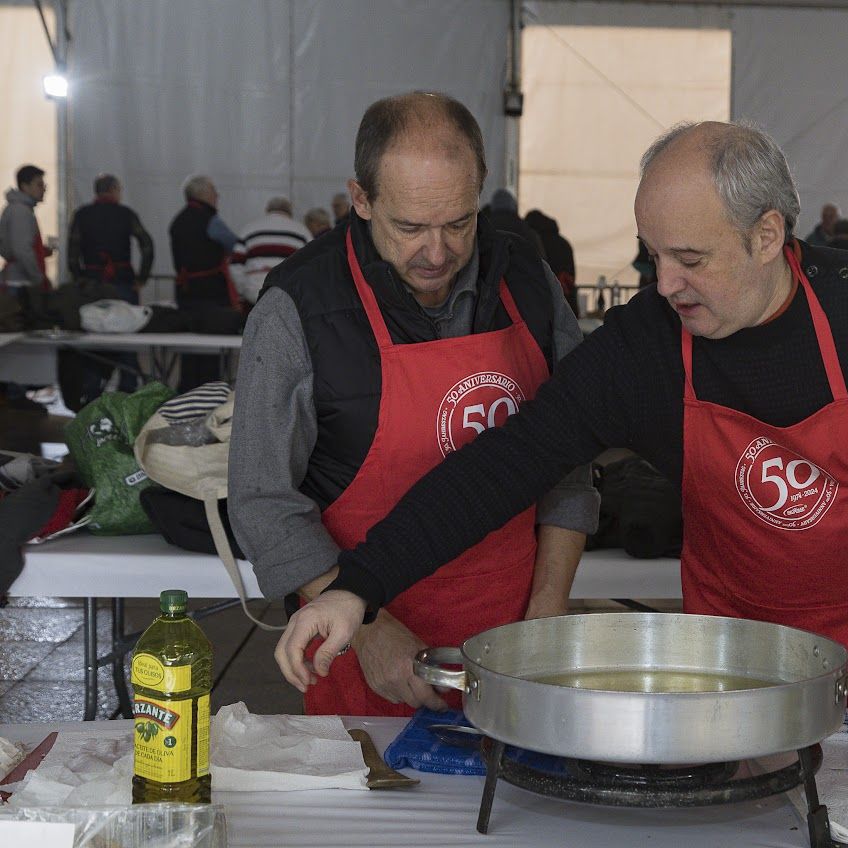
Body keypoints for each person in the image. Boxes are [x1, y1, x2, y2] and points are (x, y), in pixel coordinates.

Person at [273, 120, 848, 718]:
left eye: (690, 259)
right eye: (651, 256)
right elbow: (505, 464)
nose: (665, 285)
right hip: (734, 667)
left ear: (766, 236)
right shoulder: (649, 343)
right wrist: (357, 587)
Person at [229, 92, 597, 716]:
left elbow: (571, 460)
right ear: (362, 198)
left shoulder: (529, 283)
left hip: (514, 644)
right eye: (409, 228)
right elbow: (262, 498)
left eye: (458, 223)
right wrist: (368, 630)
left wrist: (546, 611)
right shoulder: (298, 306)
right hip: (359, 652)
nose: (437, 252)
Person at [66, 173, 155, 400]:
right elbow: (147, 245)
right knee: (127, 338)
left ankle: (91, 393)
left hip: (92, 285)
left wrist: (79, 278)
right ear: (114, 189)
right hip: (123, 283)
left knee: (93, 339)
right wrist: (142, 278)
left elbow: (72, 252)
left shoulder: (82, 215)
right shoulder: (126, 214)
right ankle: (127, 392)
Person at [169, 175, 240, 390]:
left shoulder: (177, 221)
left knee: (189, 347)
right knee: (211, 349)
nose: (217, 196)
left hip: (185, 294)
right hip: (212, 294)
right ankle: (210, 394)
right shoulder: (211, 220)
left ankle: (186, 392)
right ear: (204, 195)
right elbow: (235, 245)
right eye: (214, 192)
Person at [229, 196, 311, 303]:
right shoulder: (302, 231)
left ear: (267, 210)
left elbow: (235, 265)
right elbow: (313, 266)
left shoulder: (249, 229)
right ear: (290, 212)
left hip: (254, 293)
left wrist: (243, 290)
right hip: (289, 295)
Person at [0, 164, 51, 298]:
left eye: (43, 185)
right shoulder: (20, 211)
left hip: (18, 281)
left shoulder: (20, 209)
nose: (43, 189)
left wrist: (41, 251)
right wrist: (38, 278)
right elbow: (22, 250)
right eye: (39, 185)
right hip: (19, 284)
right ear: (25, 186)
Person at [525, 209, 576, 313]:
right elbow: (572, 274)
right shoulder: (564, 242)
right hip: (567, 299)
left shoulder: (534, 241)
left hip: (544, 300)